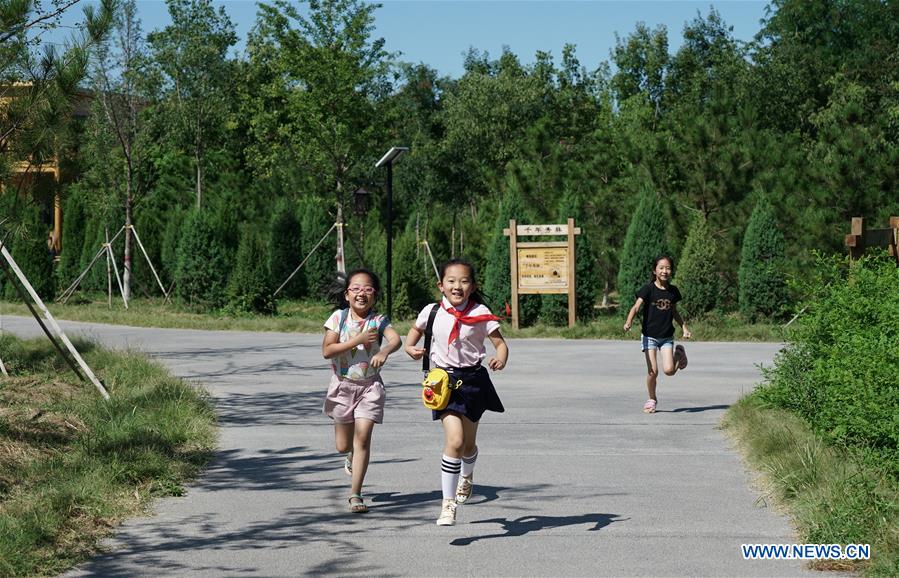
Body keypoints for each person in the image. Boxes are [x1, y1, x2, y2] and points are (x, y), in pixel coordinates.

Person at [404, 258, 509, 526]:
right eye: (451, 281)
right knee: (455, 440)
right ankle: (447, 505)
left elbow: (500, 344)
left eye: (464, 281)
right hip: (444, 383)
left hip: (473, 381)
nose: (457, 286)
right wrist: (410, 348)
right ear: (441, 285)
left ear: (472, 286)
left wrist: (500, 357)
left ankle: (467, 476)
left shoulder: (480, 313)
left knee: (468, 445)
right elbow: (413, 334)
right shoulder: (431, 311)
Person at [322, 268, 401, 513]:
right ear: (347, 294)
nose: (361, 293)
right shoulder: (338, 318)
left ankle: (355, 494)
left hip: (370, 387)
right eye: (356, 289)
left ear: (374, 295)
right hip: (343, 386)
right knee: (343, 445)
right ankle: (350, 456)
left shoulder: (378, 320)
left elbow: (396, 339)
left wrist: (383, 351)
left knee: (363, 438)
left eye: (368, 289)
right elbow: (327, 350)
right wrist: (358, 340)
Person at [623, 255, 692, 414]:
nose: (665, 271)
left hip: (667, 336)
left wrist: (684, 328)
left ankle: (679, 354)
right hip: (649, 336)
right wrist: (629, 321)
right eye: (661, 268)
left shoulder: (673, 291)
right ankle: (652, 399)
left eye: (668, 268)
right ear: (655, 271)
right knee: (652, 371)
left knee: (669, 371)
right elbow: (636, 307)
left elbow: (674, 312)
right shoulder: (648, 289)